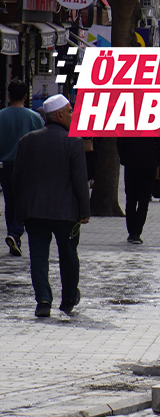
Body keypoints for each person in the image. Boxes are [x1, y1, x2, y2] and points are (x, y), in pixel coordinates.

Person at [11, 94, 89, 317]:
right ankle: (68, 299)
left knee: (38, 257)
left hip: (35, 211)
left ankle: (43, 300)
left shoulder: (27, 141)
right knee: (68, 254)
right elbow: (79, 180)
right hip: (66, 211)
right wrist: (84, 210)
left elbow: (17, 178)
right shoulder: (73, 142)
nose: (73, 115)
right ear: (60, 115)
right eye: (71, 111)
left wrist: (20, 209)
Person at [1, 80, 45, 257]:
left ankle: (14, 238)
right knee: (25, 203)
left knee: (10, 202)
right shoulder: (34, 117)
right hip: (27, 166)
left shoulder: (1, 116)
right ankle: (15, 233)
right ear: (26, 96)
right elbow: (43, 141)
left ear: (9, 95)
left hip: (5, 167)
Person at [117, 136, 160, 244]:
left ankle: (132, 231)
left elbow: (120, 143)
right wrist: (156, 160)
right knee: (144, 200)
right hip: (149, 163)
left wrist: (124, 158)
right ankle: (137, 232)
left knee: (131, 198)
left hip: (131, 163)